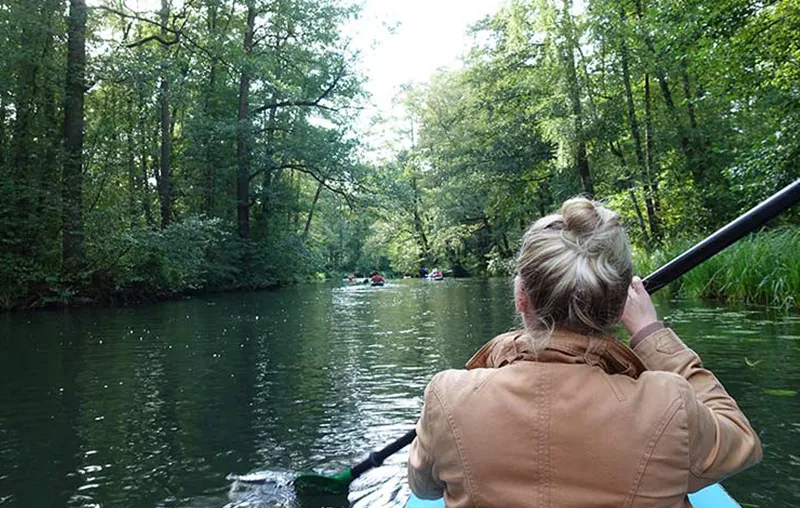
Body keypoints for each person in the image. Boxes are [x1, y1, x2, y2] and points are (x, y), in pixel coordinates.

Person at [408, 197, 762, 508]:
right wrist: (651, 334)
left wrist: (500, 354)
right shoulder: (670, 405)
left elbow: (423, 489)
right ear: (620, 304)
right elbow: (742, 442)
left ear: (521, 298)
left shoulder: (448, 396)